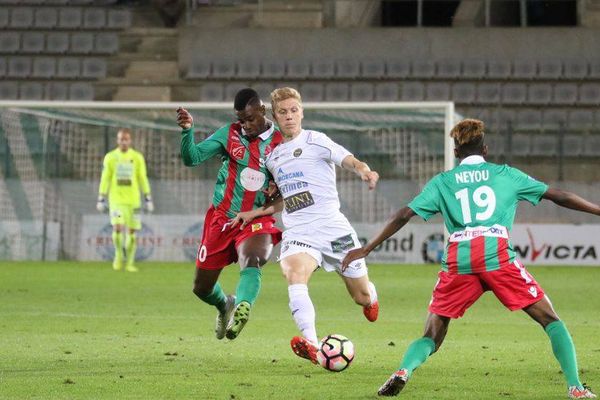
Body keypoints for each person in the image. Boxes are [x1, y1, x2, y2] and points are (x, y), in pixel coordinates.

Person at [342, 119, 597, 399]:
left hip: (459, 259)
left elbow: (404, 214)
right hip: (495, 255)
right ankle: (575, 387)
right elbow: (560, 196)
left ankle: (404, 370)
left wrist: (367, 249)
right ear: (485, 149)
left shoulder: (443, 181)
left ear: (455, 152)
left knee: (432, 334)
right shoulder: (505, 174)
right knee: (551, 320)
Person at [231, 87, 380, 364]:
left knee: (360, 297)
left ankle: (371, 296)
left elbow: (348, 160)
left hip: (333, 228)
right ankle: (312, 343)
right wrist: (255, 213)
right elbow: (284, 199)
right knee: (294, 274)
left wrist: (364, 171)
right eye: (283, 112)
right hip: (299, 231)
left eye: (294, 110)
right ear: (275, 116)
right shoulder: (273, 157)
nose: (289, 116)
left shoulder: (316, 140)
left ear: (302, 112)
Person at [176, 88, 283, 341]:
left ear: (262, 111)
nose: (244, 125)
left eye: (249, 119)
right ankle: (225, 304)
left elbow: (289, 186)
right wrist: (187, 130)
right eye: (240, 120)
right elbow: (192, 159)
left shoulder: (281, 142)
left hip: (256, 217)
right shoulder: (230, 133)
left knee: (253, 258)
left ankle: (243, 307)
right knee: (201, 288)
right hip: (223, 218)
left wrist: (276, 186)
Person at [97, 128, 153, 272]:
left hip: (134, 200)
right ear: (117, 140)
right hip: (116, 200)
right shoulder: (110, 157)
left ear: (130, 140)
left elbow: (142, 177)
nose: (123, 142)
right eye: (121, 139)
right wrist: (101, 197)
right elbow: (105, 178)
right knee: (118, 227)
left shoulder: (137, 157)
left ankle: (129, 262)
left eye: (126, 139)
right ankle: (118, 256)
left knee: (132, 233)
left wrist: (148, 197)